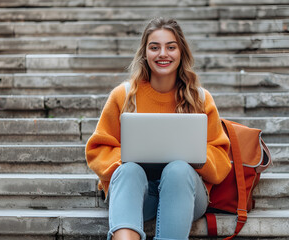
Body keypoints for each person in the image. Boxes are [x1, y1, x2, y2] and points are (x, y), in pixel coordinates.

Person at [85, 17, 231, 240]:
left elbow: (221, 157)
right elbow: (98, 149)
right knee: (129, 171)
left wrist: (197, 158)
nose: (163, 53)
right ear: (145, 53)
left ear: (181, 52)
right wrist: (126, 159)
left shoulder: (200, 99)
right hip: (138, 195)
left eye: (171, 47)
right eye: (155, 47)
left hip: (186, 194)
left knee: (178, 170)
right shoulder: (123, 95)